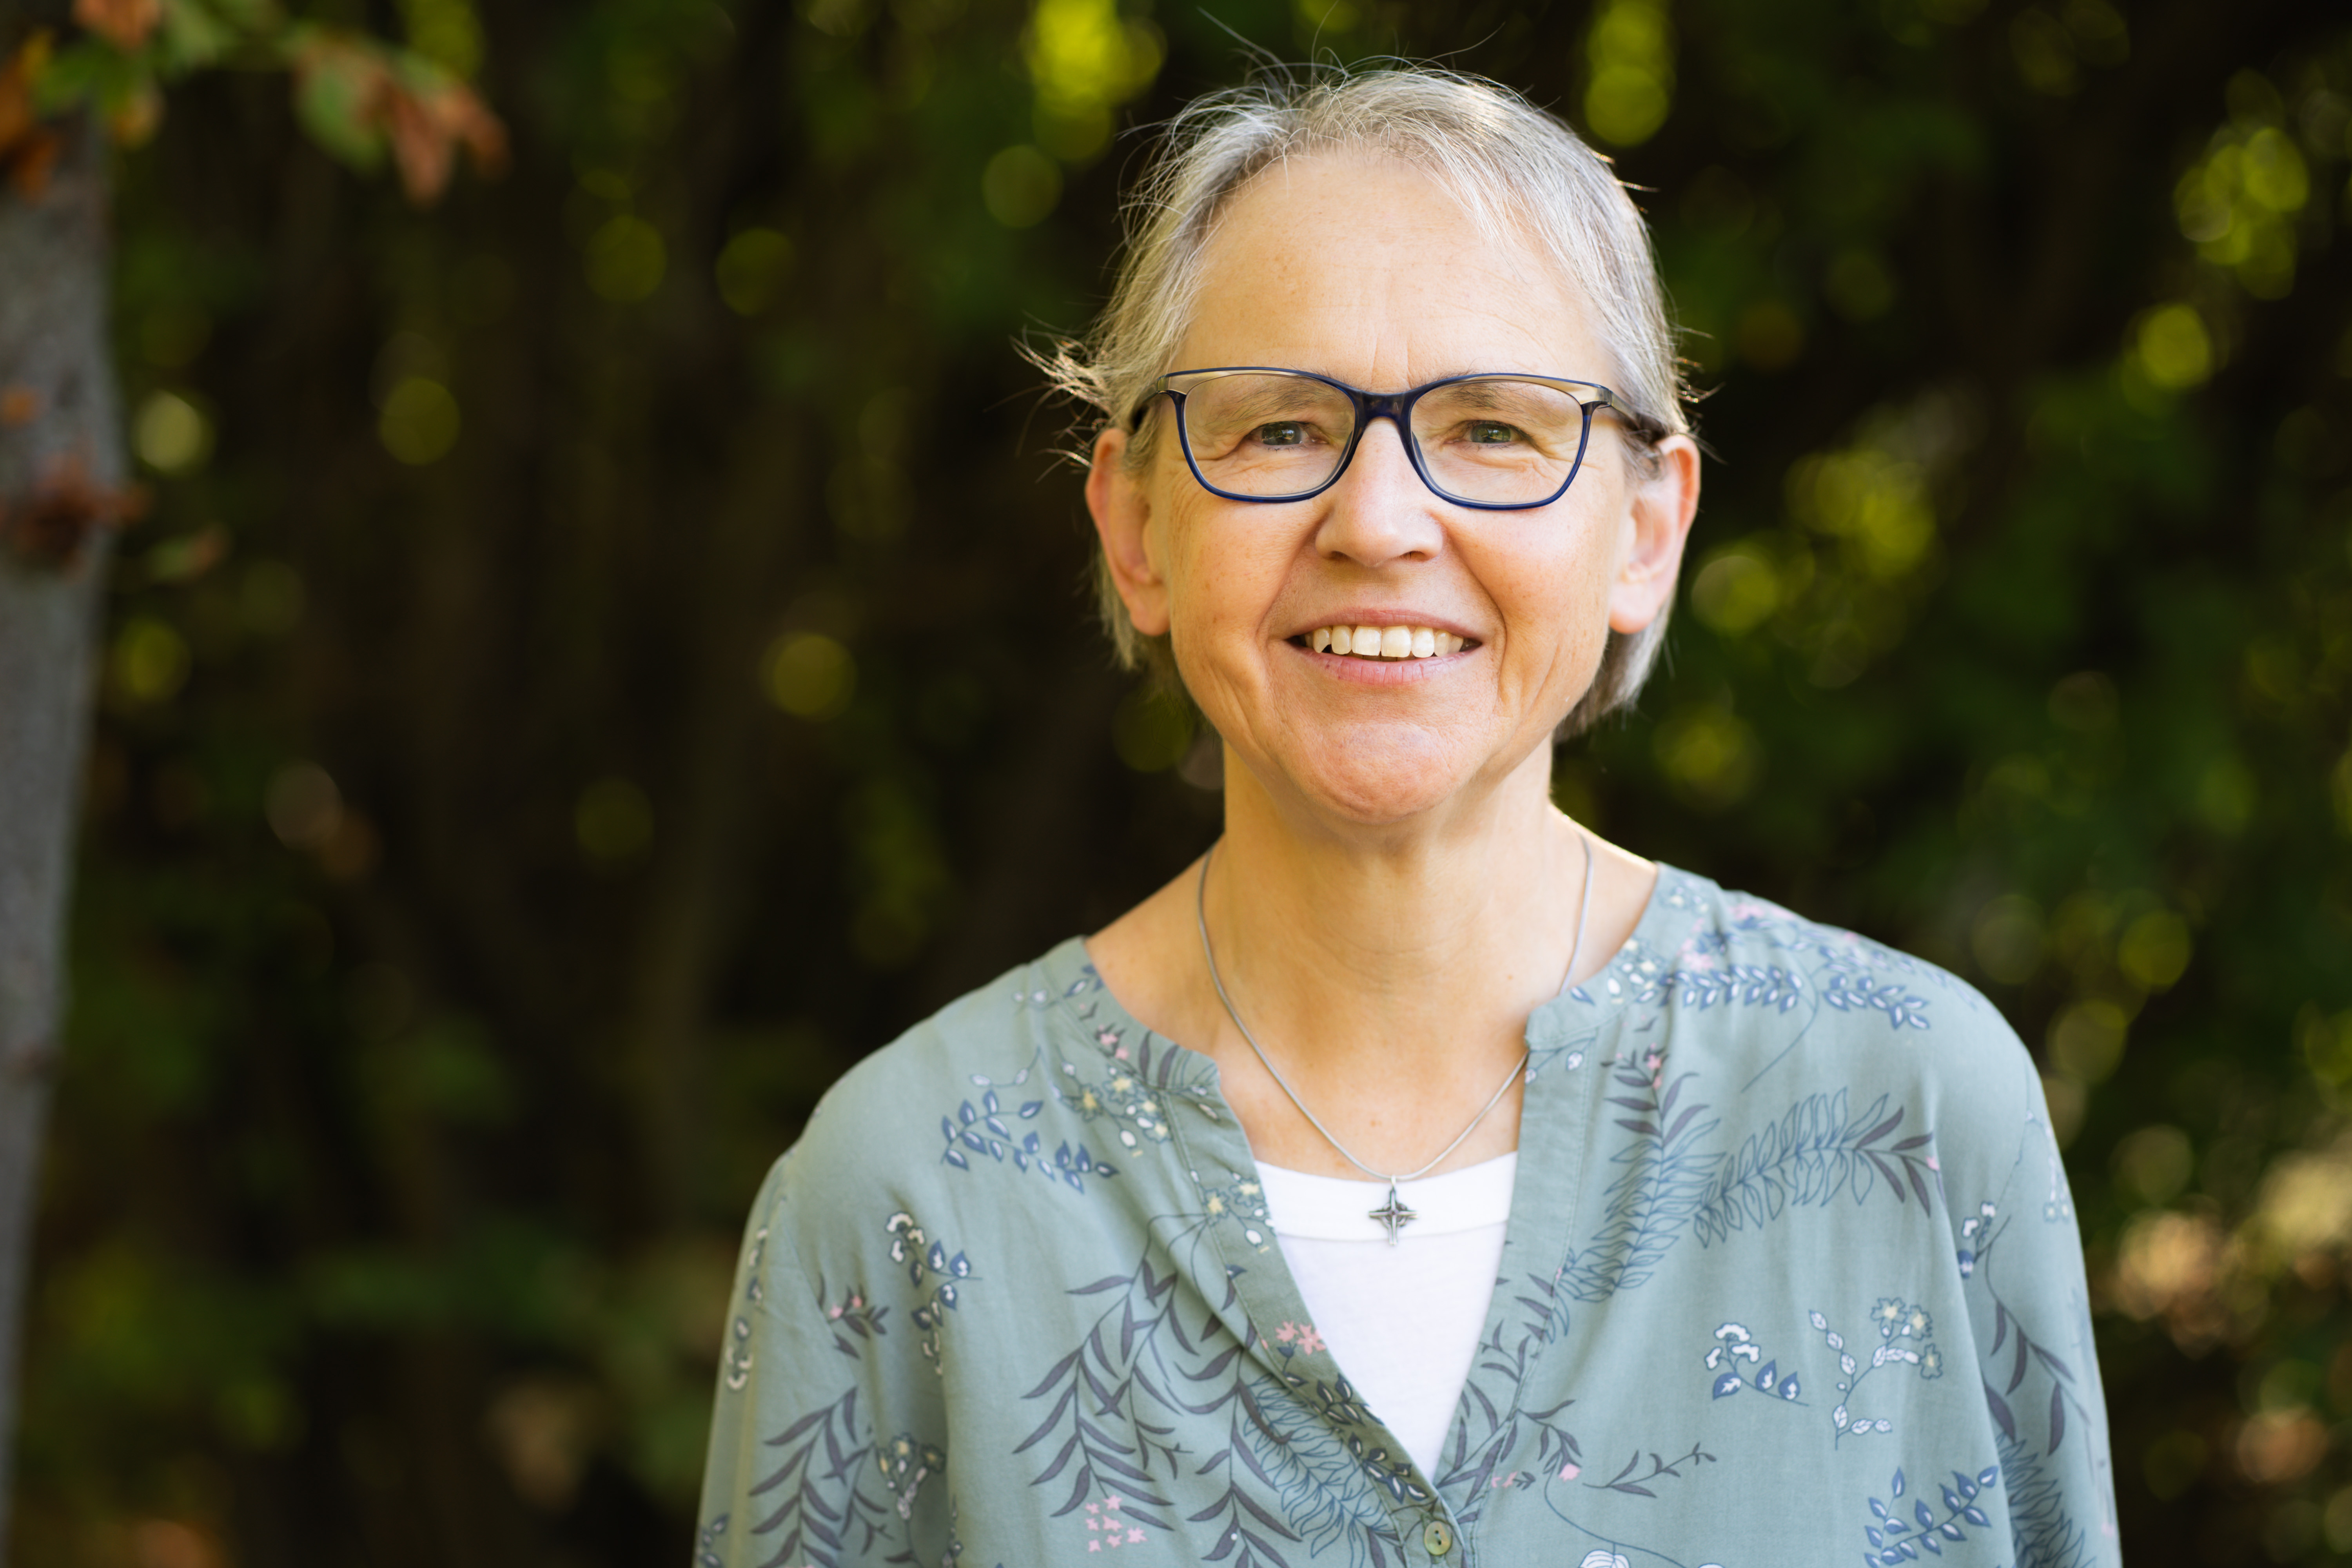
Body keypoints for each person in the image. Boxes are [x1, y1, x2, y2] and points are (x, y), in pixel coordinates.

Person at [694, 67, 2116, 1568]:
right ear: (1136, 528)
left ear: (1645, 532)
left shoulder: (1912, 1116)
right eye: (1279, 428)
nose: (1377, 523)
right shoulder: (905, 1195)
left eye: (1494, 428)